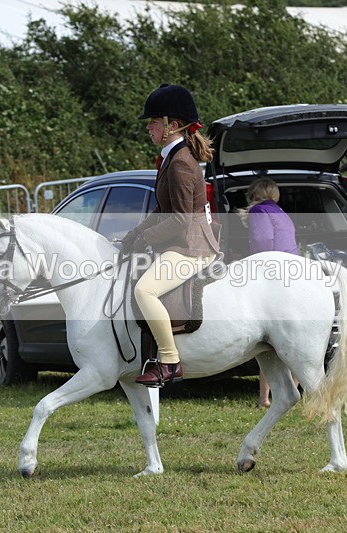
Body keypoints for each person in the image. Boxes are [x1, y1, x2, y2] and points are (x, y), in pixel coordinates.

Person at [120, 84, 219, 387]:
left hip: (191, 246)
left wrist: (146, 239)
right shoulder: (173, 158)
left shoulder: (179, 164)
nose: (148, 127)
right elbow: (163, 209)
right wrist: (135, 233)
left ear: (171, 126)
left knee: (144, 291)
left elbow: (179, 219)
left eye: (152, 122)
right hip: (182, 240)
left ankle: (169, 361)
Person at [241, 177, 299, 407]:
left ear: (254, 195)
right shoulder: (283, 214)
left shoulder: (258, 211)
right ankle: (293, 389)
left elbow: (261, 239)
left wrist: (253, 263)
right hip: (294, 270)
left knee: (266, 341)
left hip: (273, 273)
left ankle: (264, 398)